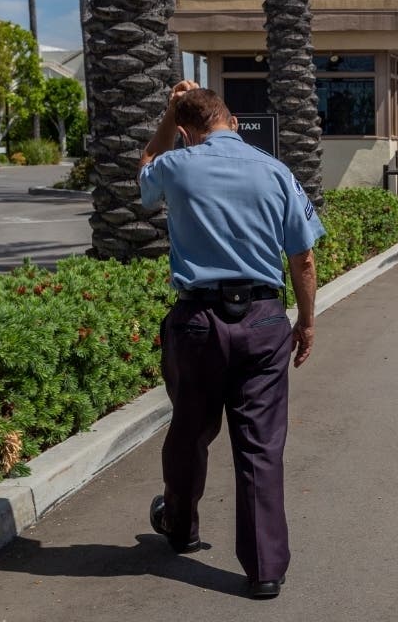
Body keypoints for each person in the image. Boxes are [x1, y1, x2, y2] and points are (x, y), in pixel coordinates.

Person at [138, 80, 325, 599]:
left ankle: (179, 527)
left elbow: (146, 165)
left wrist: (168, 116)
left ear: (186, 132)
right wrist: (305, 323)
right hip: (264, 319)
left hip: (197, 322)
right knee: (261, 446)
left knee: (190, 431)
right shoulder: (275, 170)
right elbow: (303, 258)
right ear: (234, 122)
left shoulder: (175, 164)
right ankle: (265, 568)